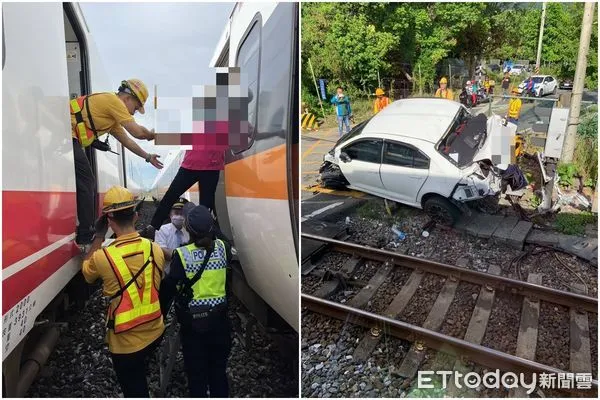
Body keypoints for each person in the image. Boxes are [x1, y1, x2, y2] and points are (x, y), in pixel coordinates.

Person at [81, 185, 165, 397]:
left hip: (125, 343)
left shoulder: (102, 257)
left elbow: (87, 273)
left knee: (133, 388)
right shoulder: (154, 248)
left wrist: (98, 236)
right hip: (155, 330)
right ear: (136, 216)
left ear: (108, 221)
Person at [70, 79, 164, 245]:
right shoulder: (114, 101)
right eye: (135, 108)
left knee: (86, 180)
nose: (134, 113)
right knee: (87, 181)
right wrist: (151, 135)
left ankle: (86, 230)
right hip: (67, 134)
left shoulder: (113, 120)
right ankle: (86, 233)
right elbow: (137, 133)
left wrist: (147, 157)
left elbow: (128, 141)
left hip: (69, 137)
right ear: (128, 98)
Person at [159, 205, 232, 397]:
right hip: (220, 323)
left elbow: (170, 287)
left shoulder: (182, 255)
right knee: (218, 373)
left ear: (188, 230)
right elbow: (221, 238)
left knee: (196, 376)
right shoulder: (223, 249)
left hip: (194, 327)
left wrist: (160, 313)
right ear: (211, 227)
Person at [155, 198, 190, 272]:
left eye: (182, 213)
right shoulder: (162, 230)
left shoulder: (189, 231)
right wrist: (183, 257)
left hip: (187, 273)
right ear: (170, 214)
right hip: (168, 273)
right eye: (176, 213)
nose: (179, 216)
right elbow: (163, 251)